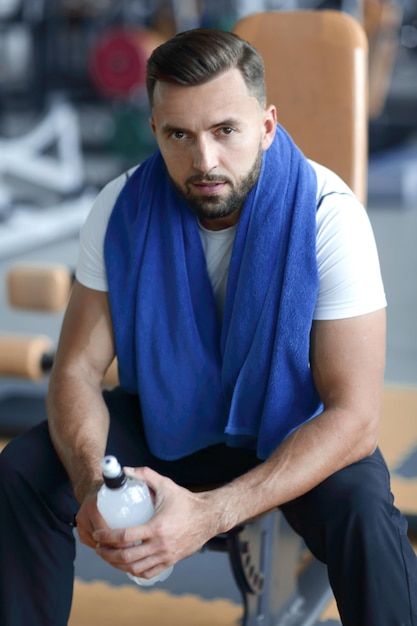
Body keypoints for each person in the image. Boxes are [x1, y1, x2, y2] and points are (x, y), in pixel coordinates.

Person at [0, 27, 416, 626]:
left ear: (266, 126)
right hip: (166, 423)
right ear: (155, 132)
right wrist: (96, 486)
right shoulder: (119, 211)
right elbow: (77, 371)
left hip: (288, 428)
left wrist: (210, 514)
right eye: (180, 135)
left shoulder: (330, 216)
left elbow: (355, 419)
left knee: (365, 510)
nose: (205, 161)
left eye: (226, 130)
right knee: (23, 471)